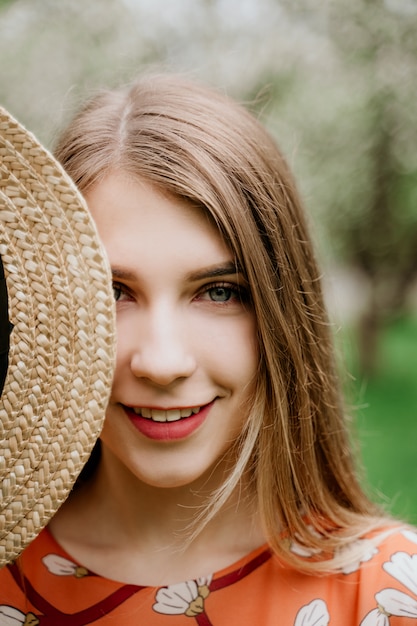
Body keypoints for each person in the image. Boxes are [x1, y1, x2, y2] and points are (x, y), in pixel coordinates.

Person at [0, 73, 416, 625]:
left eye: (220, 292)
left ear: (282, 315)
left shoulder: (389, 596)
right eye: (113, 293)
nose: (163, 362)